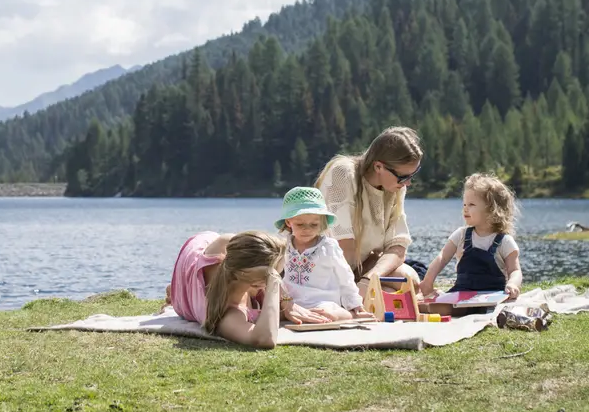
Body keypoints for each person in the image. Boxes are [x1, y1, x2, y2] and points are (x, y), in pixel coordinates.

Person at [167, 230, 332, 348]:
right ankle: (176, 292)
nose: (278, 278)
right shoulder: (228, 314)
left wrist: (287, 301)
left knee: (238, 244)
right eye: (273, 274)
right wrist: (273, 282)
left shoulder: (228, 248)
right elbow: (264, 339)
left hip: (200, 255)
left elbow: (241, 244)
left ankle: (175, 290)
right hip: (194, 257)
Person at [314, 126, 424, 302]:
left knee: (411, 282)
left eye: (413, 175)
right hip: (328, 266)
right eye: (403, 177)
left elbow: (397, 247)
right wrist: (357, 287)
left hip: (363, 266)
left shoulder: (395, 187)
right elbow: (344, 246)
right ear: (378, 166)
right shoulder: (343, 173)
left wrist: (368, 279)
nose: (408, 183)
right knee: (396, 294)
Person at [275, 186, 374, 321]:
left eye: (314, 225)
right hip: (291, 302)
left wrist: (354, 304)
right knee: (271, 312)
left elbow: (345, 277)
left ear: (321, 222)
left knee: (328, 313)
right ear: (288, 222)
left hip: (321, 302)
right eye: (300, 224)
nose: (307, 230)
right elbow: (274, 275)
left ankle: (350, 315)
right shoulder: (283, 246)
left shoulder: (328, 246)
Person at [419, 173, 523, 301]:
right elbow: (442, 257)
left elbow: (515, 270)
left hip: (493, 295)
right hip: (462, 293)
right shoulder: (461, 235)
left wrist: (512, 284)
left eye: (471, 205)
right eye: (464, 204)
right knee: (439, 307)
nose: (465, 209)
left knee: (494, 310)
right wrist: (428, 281)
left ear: (492, 210)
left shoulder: (505, 241)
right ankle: (441, 296)